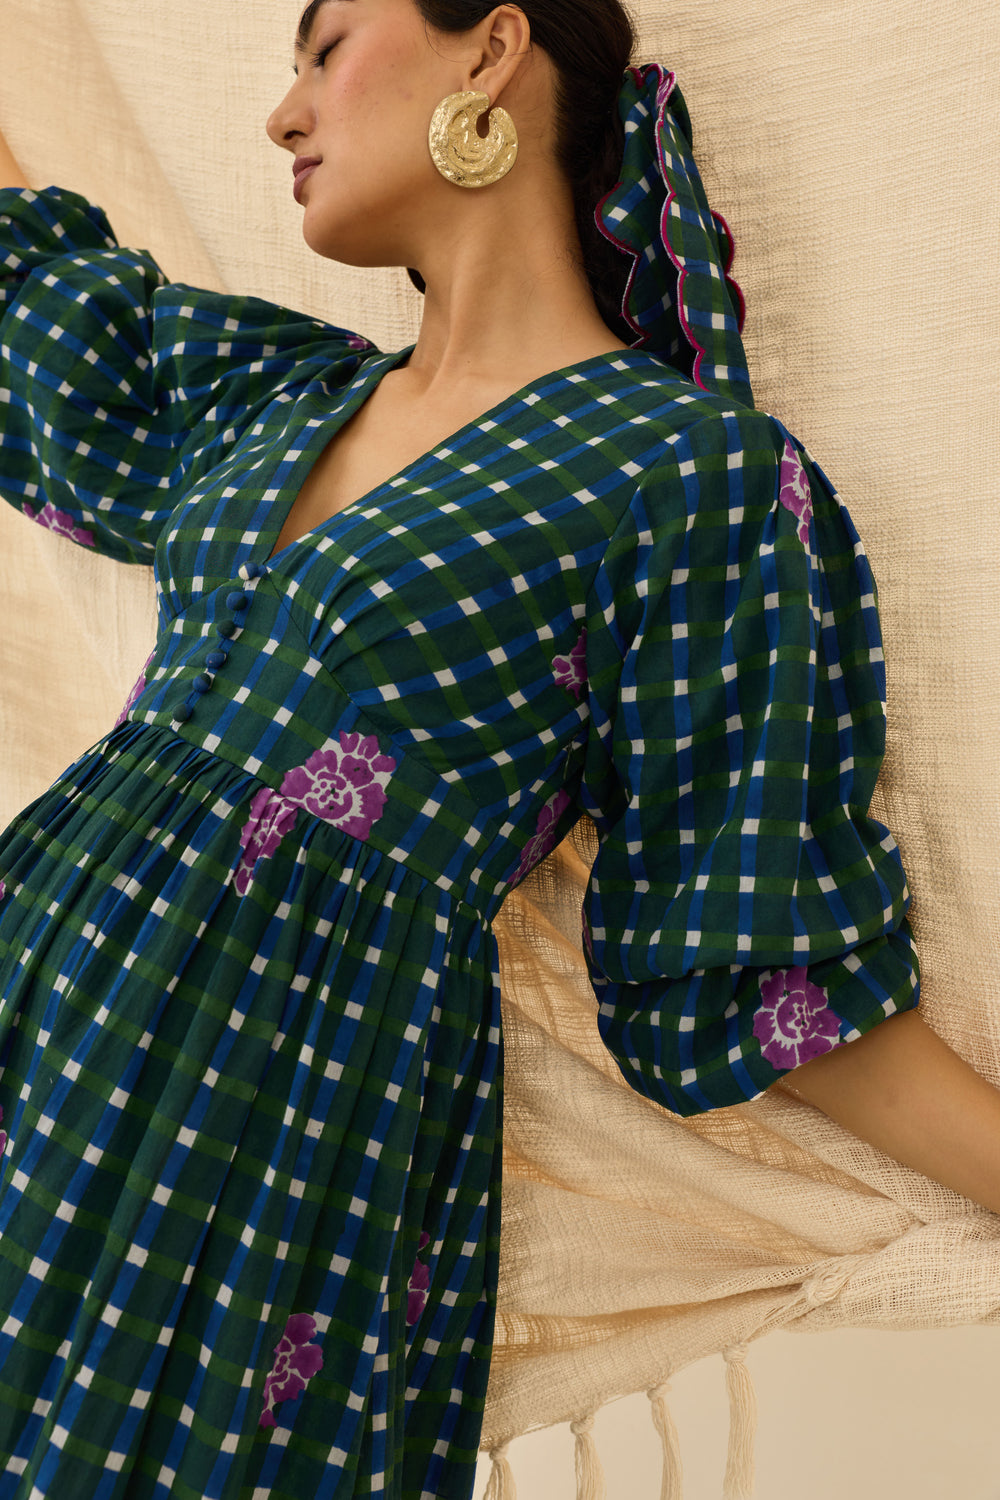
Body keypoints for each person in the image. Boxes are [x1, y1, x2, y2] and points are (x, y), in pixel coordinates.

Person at [0, 1, 998, 1496]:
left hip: (264, 1108)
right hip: (36, 984)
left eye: (326, 48)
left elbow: (752, 961)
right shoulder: (276, 395)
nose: (284, 113)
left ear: (490, 51)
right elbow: (37, 314)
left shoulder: (687, 476)